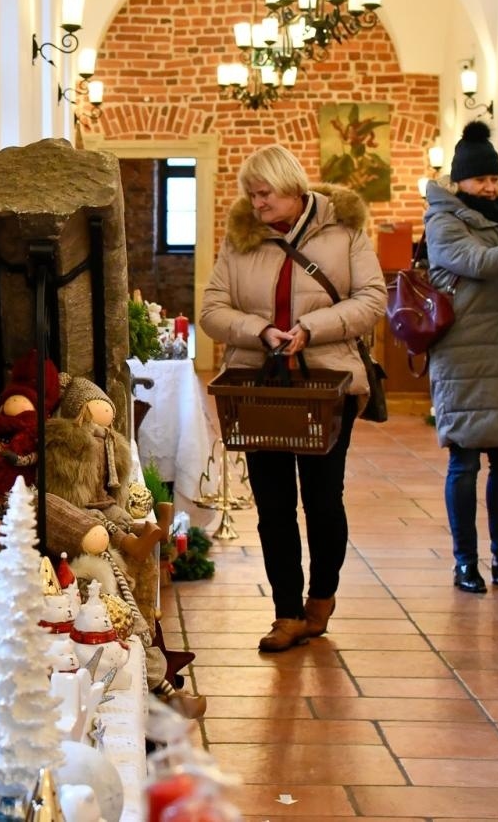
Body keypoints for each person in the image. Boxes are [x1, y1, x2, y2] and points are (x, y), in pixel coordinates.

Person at [200, 144, 385, 651]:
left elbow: (372, 298)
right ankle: (286, 612)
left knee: (323, 498)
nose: (256, 204)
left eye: (266, 194)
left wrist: (311, 327)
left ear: (294, 190)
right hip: (258, 386)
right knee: (272, 504)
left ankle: (320, 597)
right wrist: (260, 330)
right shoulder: (240, 242)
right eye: (251, 195)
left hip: (328, 384)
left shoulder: (344, 232)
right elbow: (212, 309)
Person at [423, 121, 498, 594]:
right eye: (480, 180)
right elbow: (478, 264)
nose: (490, 187)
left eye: (494, 179)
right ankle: (465, 563)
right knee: (465, 464)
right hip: (464, 355)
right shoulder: (443, 221)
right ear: (459, 182)